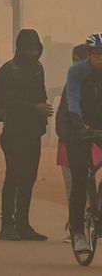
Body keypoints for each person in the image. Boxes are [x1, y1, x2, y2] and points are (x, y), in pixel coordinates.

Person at [0, 28, 52, 240]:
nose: (33, 54)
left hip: (33, 133)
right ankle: (7, 225)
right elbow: (7, 103)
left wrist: (41, 114)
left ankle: (23, 224)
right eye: (29, 50)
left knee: (29, 178)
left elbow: (40, 94)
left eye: (36, 49)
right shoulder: (8, 71)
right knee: (14, 176)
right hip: (14, 132)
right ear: (20, 49)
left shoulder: (37, 69)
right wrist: (34, 108)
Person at [64, 33, 102, 255]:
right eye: (97, 54)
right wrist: (79, 125)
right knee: (80, 177)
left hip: (99, 125)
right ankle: (77, 232)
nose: (100, 58)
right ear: (88, 54)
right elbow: (73, 100)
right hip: (77, 128)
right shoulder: (77, 72)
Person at [56, 43, 91, 242]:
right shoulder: (71, 85)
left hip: (93, 138)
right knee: (76, 186)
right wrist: (68, 135)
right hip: (72, 141)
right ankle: (76, 228)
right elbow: (64, 114)